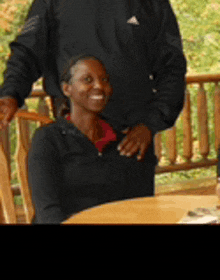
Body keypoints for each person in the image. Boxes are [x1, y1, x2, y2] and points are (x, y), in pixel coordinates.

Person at [0, 0, 186, 163]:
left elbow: (172, 69)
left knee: (134, 207)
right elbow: (28, 50)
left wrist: (150, 124)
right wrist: (10, 93)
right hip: (70, 140)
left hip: (132, 142)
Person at [28, 55, 157, 223]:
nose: (99, 86)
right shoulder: (49, 139)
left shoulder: (124, 142)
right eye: (87, 79)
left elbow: (141, 206)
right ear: (67, 89)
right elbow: (47, 212)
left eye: (104, 80)